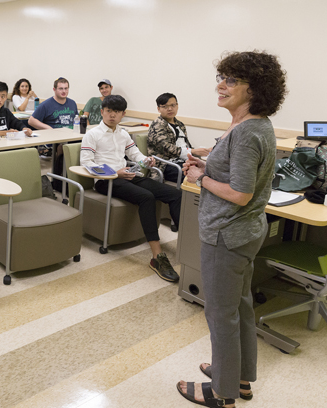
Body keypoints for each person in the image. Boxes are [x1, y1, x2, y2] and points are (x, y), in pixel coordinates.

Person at [177, 51, 287, 408]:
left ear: (254, 89)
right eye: (222, 78)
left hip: (227, 234)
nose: (220, 86)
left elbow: (240, 194)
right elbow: (239, 174)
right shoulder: (249, 125)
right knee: (238, 307)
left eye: (231, 80)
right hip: (243, 232)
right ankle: (238, 377)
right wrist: (209, 163)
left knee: (220, 314)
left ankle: (221, 392)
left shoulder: (249, 132)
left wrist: (200, 177)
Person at [80, 95, 182, 282]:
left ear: (123, 114)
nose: (112, 115)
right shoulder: (92, 134)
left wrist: (146, 160)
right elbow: (86, 163)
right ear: (102, 111)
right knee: (146, 197)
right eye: (109, 111)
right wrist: (115, 173)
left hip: (128, 175)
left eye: (117, 112)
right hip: (106, 180)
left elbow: (135, 154)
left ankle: (186, 247)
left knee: (175, 194)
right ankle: (157, 256)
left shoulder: (123, 133)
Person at [147, 93, 211, 183]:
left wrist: (204, 152)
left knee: (210, 171)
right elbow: (168, 149)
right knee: (198, 177)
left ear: (177, 106)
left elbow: (186, 146)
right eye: (165, 106)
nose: (170, 109)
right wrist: (193, 151)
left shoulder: (180, 125)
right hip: (165, 165)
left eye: (173, 105)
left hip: (183, 162)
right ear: (158, 109)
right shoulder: (157, 125)